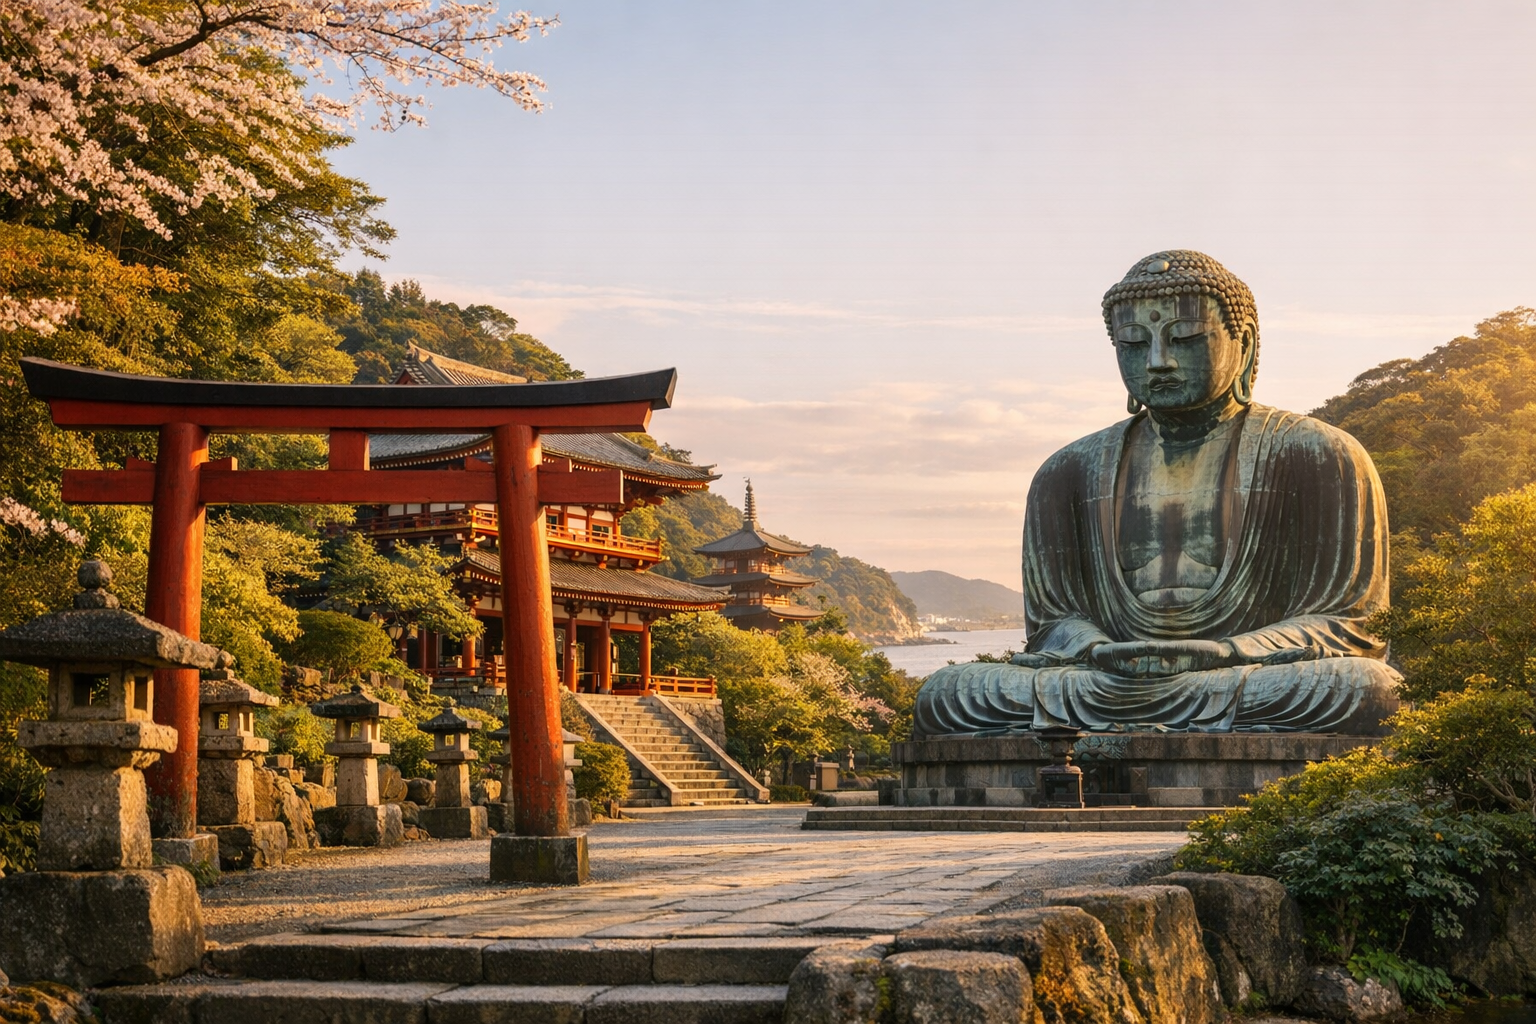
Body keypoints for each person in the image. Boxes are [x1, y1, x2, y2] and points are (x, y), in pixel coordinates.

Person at [914, 251, 1400, 736]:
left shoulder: (1320, 454)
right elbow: (1053, 624)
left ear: (1246, 343)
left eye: (1185, 338)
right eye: (1133, 343)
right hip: (1106, 679)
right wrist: (1097, 650)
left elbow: (1350, 623)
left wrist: (1227, 651)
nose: (1158, 361)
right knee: (950, 692)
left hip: (1244, 674)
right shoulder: (1067, 471)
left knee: (1367, 688)